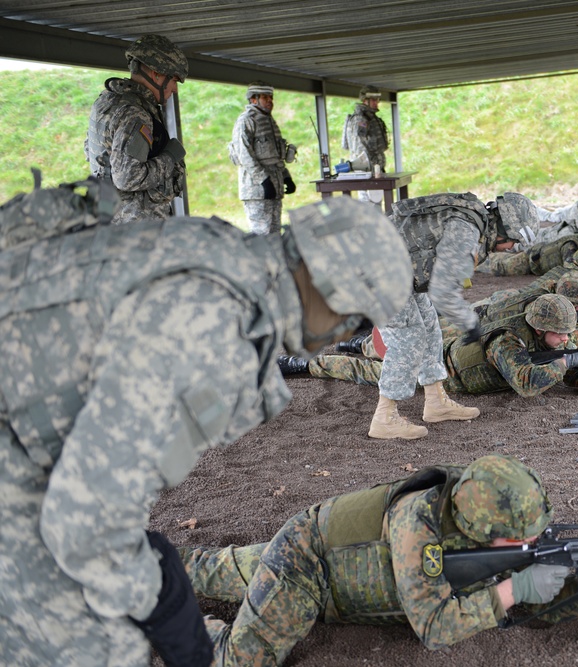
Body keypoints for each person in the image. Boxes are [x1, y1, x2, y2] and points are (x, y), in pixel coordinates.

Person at [0, 179, 413, 667]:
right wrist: (164, 603)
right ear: (332, 286)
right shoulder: (216, 328)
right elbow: (86, 524)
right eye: (359, 320)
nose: (348, 334)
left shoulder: (222, 253)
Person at [178, 455, 578, 663]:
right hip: (307, 564)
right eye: (522, 540)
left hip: (340, 566)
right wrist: (516, 588)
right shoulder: (419, 526)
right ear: (485, 529)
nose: (534, 541)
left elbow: (534, 593)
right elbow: (432, 626)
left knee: (205, 570)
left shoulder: (478, 508)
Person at [367, 191, 538, 440]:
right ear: (504, 228)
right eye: (513, 241)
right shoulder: (466, 233)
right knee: (410, 336)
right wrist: (470, 324)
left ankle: (436, 401)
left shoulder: (473, 222)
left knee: (429, 326)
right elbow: (442, 290)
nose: (511, 248)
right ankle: (384, 418)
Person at [293, 292, 578, 402]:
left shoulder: (555, 336)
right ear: (538, 328)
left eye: (567, 335)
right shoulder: (506, 340)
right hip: (443, 369)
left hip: (453, 344)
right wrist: (568, 362)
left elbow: (567, 361)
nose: (566, 340)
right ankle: (304, 363)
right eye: (560, 334)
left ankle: (358, 344)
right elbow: (526, 384)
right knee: (369, 370)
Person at [84, 34, 189, 225]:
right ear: (157, 73)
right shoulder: (135, 113)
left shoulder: (107, 101)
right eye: (174, 80)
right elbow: (128, 178)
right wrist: (170, 157)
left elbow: (91, 150)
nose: (174, 89)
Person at [229, 81, 297, 235]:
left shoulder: (269, 121)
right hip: (257, 191)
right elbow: (244, 155)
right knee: (262, 236)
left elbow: (274, 156)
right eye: (265, 98)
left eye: (271, 98)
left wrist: (286, 177)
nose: (270, 101)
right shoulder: (246, 121)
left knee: (274, 234)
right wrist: (264, 181)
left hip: (274, 189)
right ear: (254, 99)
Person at [478, 225, 578, 277]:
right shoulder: (571, 246)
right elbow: (572, 269)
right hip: (532, 261)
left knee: (501, 258)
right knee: (498, 267)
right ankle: (472, 260)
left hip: (539, 257)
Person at [341, 85, 390, 203]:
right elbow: (360, 150)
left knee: (375, 205)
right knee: (369, 207)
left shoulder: (371, 118)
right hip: (367, 172)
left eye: (377, 99)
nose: (376, 102)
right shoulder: (361, 120)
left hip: (374, 171)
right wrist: (371, 169)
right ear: (365, 100)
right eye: (373, 99)